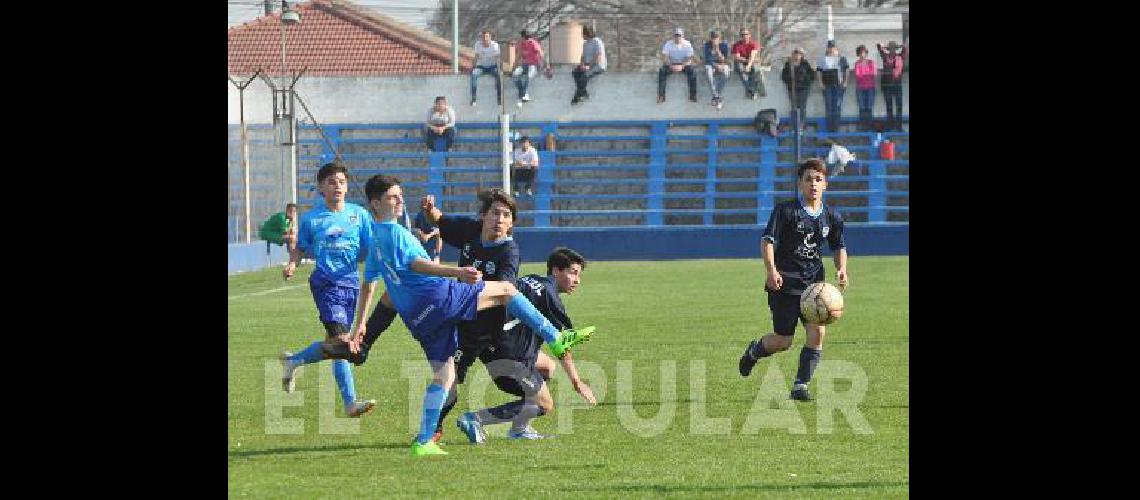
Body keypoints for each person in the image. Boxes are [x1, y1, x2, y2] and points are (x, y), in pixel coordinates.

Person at [349, 175, 594, 456]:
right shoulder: (449, 231)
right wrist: (449, 253)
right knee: (455, 372)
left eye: (506, 216)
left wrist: (361, 325)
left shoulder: (508, 250)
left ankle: (432, 438)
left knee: (449, 375)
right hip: (454, 308)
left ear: (512, 223)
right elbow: (427, 246)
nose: (499, 220)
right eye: (495, 213)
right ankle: (556, 339)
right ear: (483, 216)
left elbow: (370, 282)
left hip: (458, 322)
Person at [456, 247, 598, 443]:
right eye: (573, 273)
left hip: (493, 344)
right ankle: (475, 419)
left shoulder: (532, 279)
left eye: (578, 275)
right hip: (510, 355)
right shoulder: (551, 296)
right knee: (544, 404)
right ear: (556, 271)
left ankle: (519, 429)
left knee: (547, 367)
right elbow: (560, 344)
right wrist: (577, 382)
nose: (577, 280)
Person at [737, 158, 849, 402]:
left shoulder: (832, 217)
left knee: (817, 333)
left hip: (814, 288)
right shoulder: (785, 211)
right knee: (783, 341)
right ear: (800, 184)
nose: (813, 184)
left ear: (825, 185)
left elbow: (839, 246)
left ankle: (801, 385)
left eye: (818, 179)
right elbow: (767, 241)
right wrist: (771, 270)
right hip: (784, 285)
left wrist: (841, 269)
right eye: (808, 179)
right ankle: (754, 352)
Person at [278, 162, 377, 419]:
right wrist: (292, 262)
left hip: (351, 284)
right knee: (343, 340)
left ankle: (294, 361)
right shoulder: (312, 218)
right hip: (325, 283)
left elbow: (369, 249)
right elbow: (301, 247)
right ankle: (350, 403)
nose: (338, 187)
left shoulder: (359, 215)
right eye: (332, 182)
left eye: (342, 182)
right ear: (321, 187)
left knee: (337, 345)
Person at [657, 28, 698, 103]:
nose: (677, 38)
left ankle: (693, 95)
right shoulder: (668, 44)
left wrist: (682, 66)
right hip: (671, 64)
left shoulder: (687, 44)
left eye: (679, 36)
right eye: (676, 36)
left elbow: (690, 58)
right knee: (662, 71)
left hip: (684, 64)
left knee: (692, 72)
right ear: (673, 36)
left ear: (682, 36)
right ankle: (661, 96)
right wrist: (671, 65)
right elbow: (665, 57)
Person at [817, 40, 850, 132]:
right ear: (827, 48)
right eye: (830, 47)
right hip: (827, 85)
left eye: (833, 47)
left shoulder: (842, 58)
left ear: (836, 48)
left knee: (837, 106)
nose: (831, 49)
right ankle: (829, 127)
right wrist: (820, 82)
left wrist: (845, 82)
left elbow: (846, 71)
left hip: (838, 85)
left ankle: (836, 128)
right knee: (828, 106)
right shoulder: (822, 59)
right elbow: (819, 71)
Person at [781, 47, 814, 132]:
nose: (797, 56)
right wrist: (790, 81)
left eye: (799, 54)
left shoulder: (805, 64)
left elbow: (812, 76)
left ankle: (802, 126)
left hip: (803, 89)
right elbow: (784, 76)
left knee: (802, 108)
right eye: (795, 53)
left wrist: (805, 81)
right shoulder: (788, 64)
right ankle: (794, 127)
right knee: (794, 108)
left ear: (801, 55)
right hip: (792, 89)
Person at [512, 29, 548, 107]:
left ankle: (523, 96)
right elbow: (518, 56)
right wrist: (513, 68)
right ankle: (523, 93)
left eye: (521, 37)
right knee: (515, 76)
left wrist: (546, 66)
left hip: (534, 65)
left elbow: (540, 54)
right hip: (524, 65)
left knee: (527, 76)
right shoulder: (521, 44)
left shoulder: (533, 43)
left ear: (523, 37)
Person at [571, 25, 606, 105]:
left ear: (588, 33)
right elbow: (582, 56)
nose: (582, 35)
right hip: (587, 64)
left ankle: (578, 96)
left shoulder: (596, 41)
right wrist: (582, 65)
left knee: (584, 76)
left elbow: (598, 56)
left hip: (597, 65)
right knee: (575, 72)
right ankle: (584, 93)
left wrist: (589, 66)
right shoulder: (585, 44)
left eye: (583, 34)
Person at [877, 41, 907, 131]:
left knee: (899, 106)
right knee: (889, 106)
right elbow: (879, 46)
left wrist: (902, 46)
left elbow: (906, 49)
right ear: (889, 49)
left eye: (894, 48)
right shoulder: (885, 57)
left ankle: (899, 126)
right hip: (887, 85)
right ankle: (890, 126)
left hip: (897, 84)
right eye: (891, 48)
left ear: (896, 49)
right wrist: (884, 46)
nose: (892, 49)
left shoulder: (900, 56)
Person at [469, 30, 501, 107]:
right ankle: (474, 98)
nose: (484, 38)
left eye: (486, 36)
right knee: (473, 75)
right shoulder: (478, 44)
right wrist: (472, 67)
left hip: (492, 66)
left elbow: (497, 58)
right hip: (481, 67)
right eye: (483, 37)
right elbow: (476, 56)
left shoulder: (495, 45)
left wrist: (499, 68)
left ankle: (499, 98)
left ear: (490, 37)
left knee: (498, 75)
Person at [702, 30, 732, 110]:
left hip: (721, 64)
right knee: (708, 73)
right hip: (711, 64)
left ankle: (716, 96)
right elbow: (707, 59)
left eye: (716, 37)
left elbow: (724, 59)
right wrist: (715, 66)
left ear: (719, 38)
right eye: (713, 38)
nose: (714, 39)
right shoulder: (707, 45)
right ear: (710, 38)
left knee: (726, 72)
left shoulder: (724, 45)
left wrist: (717, 49)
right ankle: (717, 96)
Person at [731, 28, 761, 99]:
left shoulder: (753, 43)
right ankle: (752, 91)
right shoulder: (737, 45)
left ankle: (750, 91)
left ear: (749, 35)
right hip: (741, 63)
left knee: (755, 70)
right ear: (740, 36)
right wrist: (748, 61)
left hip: (751, 62)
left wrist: (749, 65)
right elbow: (737, 57)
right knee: (741, 69)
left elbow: (753, 55)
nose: (744, 36)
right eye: (742, 35)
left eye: (746, 34)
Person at [852, 45, 877, 131]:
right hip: (860, 88)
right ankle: (863, 127)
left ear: (866, 53)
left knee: (869, 107)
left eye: (864, 52)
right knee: (862, 107)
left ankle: (869, 127)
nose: (862, 54)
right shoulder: (857, 63)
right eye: (860, 53)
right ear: (858, 54)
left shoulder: (871, 62)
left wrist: (865, 75)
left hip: (870, 87)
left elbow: (873, 74)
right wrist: (867, 74)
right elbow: (858, 75)